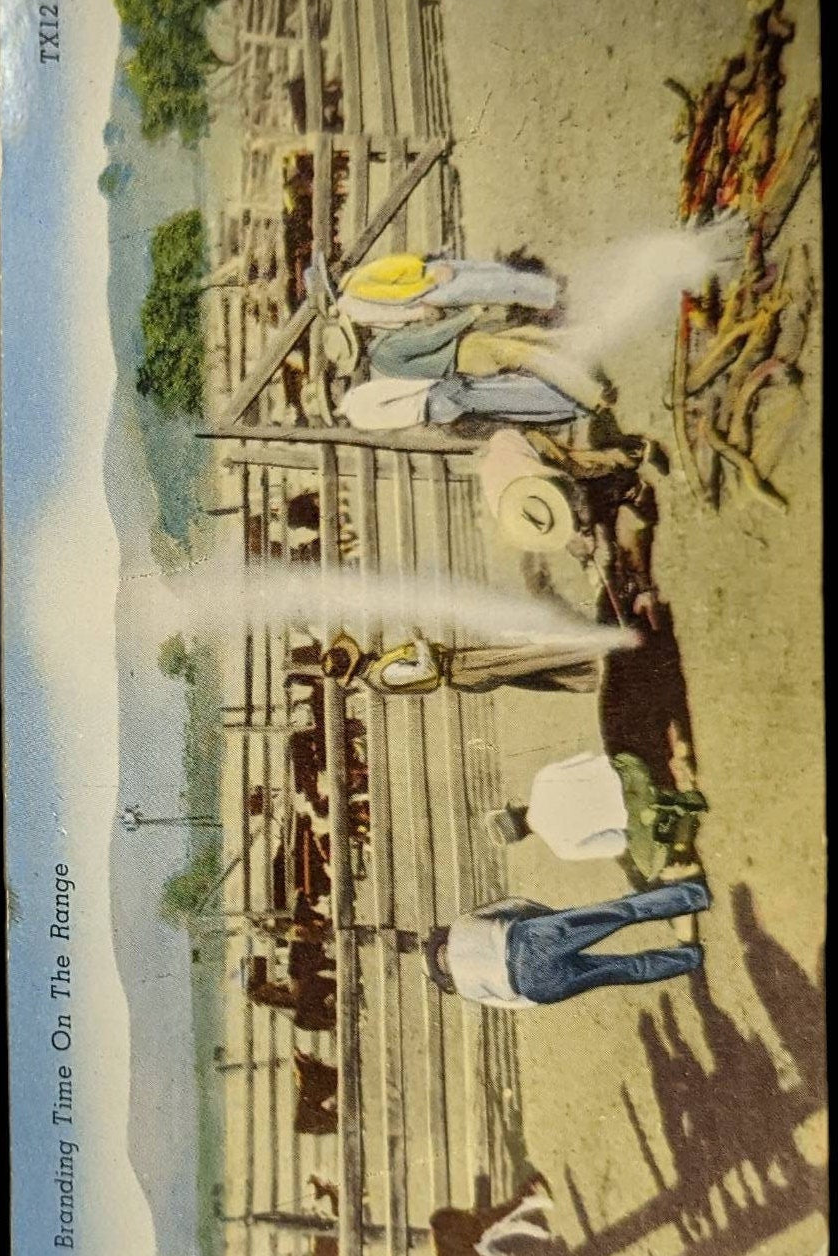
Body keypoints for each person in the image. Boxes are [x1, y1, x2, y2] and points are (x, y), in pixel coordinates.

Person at [422, 880, 710, 1007]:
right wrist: (553, 918)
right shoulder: (460, 925)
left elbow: (518, 1004)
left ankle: (690, 958)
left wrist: (540, 990)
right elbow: (515, 903)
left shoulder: (466, 990)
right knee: (621, 912)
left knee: (622, 970)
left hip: (533, 985)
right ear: (440, 945)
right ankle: (693, 896)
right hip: (530, 939)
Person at [487, 751, 707, 878]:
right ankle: (670, 780)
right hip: (631, 771)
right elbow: (592, 756)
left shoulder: (562, 848)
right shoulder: (542, 779)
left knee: (649, 864)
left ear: (523, 836)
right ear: (516, 808)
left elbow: (618, 842)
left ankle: (676, 822)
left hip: (636, 815)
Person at [365, 306, 609, 414]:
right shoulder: (387, 348)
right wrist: (470, 314)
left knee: (526, 337)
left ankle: (581, 337)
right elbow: (432, 338)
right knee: (532, 356)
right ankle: (592, 394)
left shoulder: (383, 365)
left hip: (464, 364)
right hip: (465, 350)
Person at [320, 630, 601, 696]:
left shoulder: (379, 669)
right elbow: (427, 671)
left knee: (527, 670)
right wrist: (420, 641)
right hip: (461, 669)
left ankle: (589, 675)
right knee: (528, 657)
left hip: (462, 667)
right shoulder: (384, 674)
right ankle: (591, 652)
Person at [337, 252, 560, 326]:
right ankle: (549, 295)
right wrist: (433, 280)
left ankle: (546, 287)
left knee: (491, 274)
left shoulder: (353, 281)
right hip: (430, 286)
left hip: (427, 276)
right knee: (491, 285)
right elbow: (397, 296)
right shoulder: (354, 288)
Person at [334, 372, 589, 432]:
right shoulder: (360, 395)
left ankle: (563, 411)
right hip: (435, 395)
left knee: (500, 408)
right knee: (499, 392)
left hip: (434, 415)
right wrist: (438, 379)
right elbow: (400, 387)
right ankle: (566, 401)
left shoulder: (358, 423)